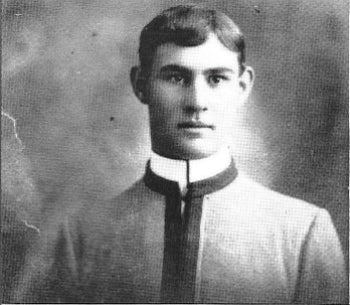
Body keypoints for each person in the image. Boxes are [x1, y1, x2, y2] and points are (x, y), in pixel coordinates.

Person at [14, 4, 347, 304]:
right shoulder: (79, 238)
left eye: (217, 78)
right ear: (141, 84)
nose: (197, 100)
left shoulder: (302, 233)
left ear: (242, 86)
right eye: (176, 76)